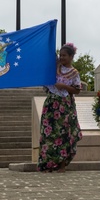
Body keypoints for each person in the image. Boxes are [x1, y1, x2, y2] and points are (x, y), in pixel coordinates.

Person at [37, 42, 83, 172]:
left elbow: (77, 90)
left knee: (63, 134)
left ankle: (62, 165)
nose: (61, 58)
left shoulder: (74, 73)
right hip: (51, 104)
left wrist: (63, 86)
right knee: (49, 133)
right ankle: (48, 163)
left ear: (71, 56)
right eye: (60, 55)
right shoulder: (55, 67)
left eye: (64, 55)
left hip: (65, 106)